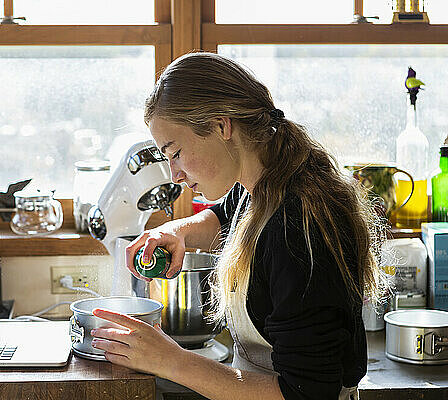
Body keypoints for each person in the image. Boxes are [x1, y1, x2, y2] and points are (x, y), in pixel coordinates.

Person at [90, 52, 386, 400]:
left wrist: (170, 360)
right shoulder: (265, 182)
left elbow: (307, 394)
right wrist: (178, 231)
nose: (176, 174)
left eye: (176, 152)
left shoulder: (298, 229)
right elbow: (224, 213)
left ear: (220, 126)